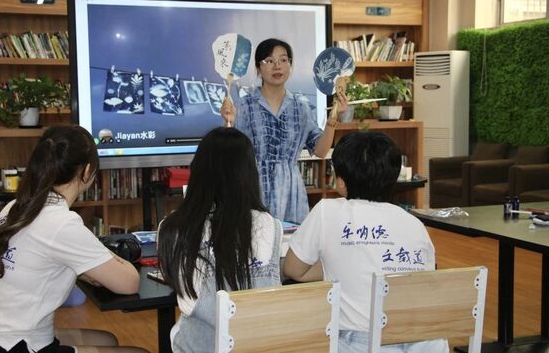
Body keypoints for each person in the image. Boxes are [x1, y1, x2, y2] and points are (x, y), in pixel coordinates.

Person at [0, 125, 140, 353]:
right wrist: (104, 258)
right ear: (87, 172)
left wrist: (86, 266)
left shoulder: (16, 206)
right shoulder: (61, 223)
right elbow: (129, 283)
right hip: (11, 345)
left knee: (107, 340)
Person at [283, 132, 449, 353]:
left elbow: (293, 269)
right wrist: (340, 264)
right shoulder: (415, 224)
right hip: (423, 342)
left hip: (360, 344)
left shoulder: (327, 210)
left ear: (341, 182)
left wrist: (335, 265)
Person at [158, 127, 282, 353]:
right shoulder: (270, 224)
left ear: (198, 171)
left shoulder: (172, 229)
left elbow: (187, 297)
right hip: (260, 346)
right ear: (249, 173)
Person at [221, 38, 347, 224]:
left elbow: (320, 150)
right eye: (269, 61)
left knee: (291, 240)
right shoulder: (244, 105)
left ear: (290, 65)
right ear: (258, 68)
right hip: (253, 188)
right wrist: (228, 123)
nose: (277, 66)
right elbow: (230, 152)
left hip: (291, 193)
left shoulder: (301, 107)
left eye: (283, 60)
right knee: (256, 238)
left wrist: (332, 121)